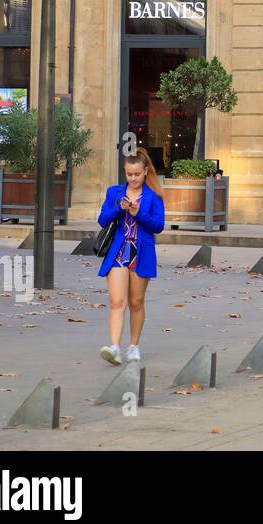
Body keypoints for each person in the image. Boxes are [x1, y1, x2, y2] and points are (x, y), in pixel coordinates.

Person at [96, 152, 166, 365]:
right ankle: (114, 347)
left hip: (141, 251)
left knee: (136, 302)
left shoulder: (154, 197)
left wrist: (138, 213)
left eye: (137, 174)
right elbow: (102, 220)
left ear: (145, 172)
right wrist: (120, 208)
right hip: (118, 251)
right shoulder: (114, 192)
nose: (133, 178)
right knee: (117, 301)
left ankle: (133, 346)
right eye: (129, 174)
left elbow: (158, 226)